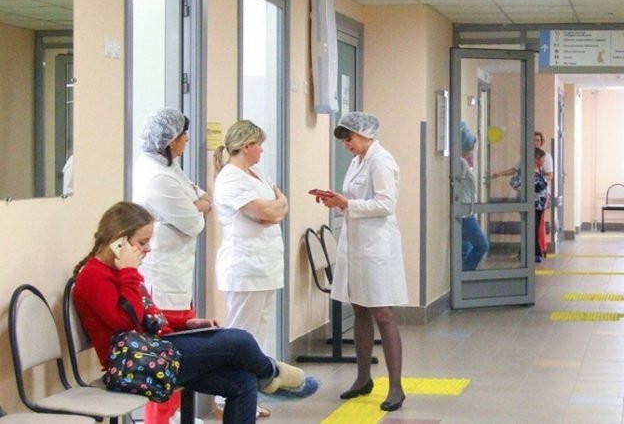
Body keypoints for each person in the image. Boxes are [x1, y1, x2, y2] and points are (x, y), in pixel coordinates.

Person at [72, 202, 319, 424]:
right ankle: (273, 376)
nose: (148, 249)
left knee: (243, 382)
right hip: (133, 364)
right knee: (240, 341)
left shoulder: (119, 270)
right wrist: (129, 272)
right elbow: (126, 324)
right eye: (142, 242)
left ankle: (267, 378)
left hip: (155, 352)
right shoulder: (94, 276)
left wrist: (186, 323)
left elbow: (146, 316)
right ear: (119, 241)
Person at [318, 111, 407, 412]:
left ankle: (395, 388)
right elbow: (355, 200)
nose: (347, 144)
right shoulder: (359, 160)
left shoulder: (380, 160)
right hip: (357, 244)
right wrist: (338, 201)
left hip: (377, 246)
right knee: (359, 309)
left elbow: (386, 204)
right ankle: (363, 378)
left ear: (366, 134)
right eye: (344, 140)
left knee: (383, 312)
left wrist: (348, 203)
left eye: (350, 138)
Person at [133, 108, 211, 424]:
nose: (187, 140)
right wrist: (196, 208)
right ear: (168, 141)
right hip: (162, 281)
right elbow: (194, 223)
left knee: (176, 357)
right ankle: (159, 420)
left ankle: (172, 416)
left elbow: (203, 197)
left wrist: (195, 205)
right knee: (163, 359)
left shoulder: (170, 168)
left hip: (177, 276)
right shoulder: (157, 177)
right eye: (182, 135)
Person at [212, 120, 288, 418]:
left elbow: (279, 208)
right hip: (245, 268)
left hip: (265, 267)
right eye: (259, 145)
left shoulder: (256, 174)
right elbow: (268, 210)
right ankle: (225, 398)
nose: (262, 151)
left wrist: (277, 207)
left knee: (257, 337)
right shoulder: (230, 179)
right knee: (240, 336)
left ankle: (247, 396)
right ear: (246, 146)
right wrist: (276, 207)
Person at [455, 122, 488, 271]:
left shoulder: (460, 161)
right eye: (470, 148)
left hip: (465, 209)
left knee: (465, 248)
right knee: (481, 245)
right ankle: (466, 274)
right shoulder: (459, 162)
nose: (471, 151)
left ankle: (462, 277)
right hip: (465, 213)